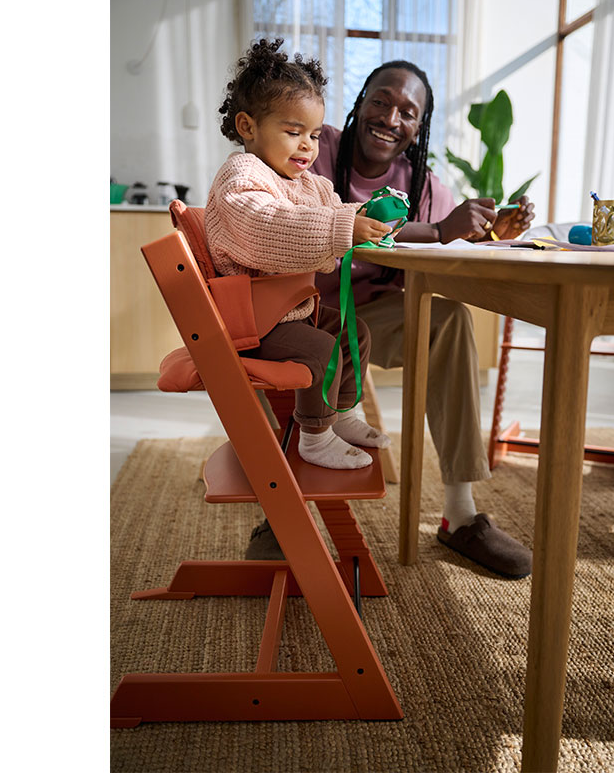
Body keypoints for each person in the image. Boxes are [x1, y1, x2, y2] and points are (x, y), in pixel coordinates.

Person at [310, 60, 536, 580]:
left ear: (419, 126)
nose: (390, 118)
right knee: (294, 350)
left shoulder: (422, 184)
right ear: (361, 102)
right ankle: (280, 514)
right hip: (304, 312)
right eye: (381, 101)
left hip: (370, 320)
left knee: (448, 318)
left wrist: (490, 234)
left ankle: (461, 514)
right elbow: (312, 217)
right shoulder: (318, 148)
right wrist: (435, 230)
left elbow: (449, 249)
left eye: (408, 113)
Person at [205, 38, 395, 483]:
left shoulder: (306, 182)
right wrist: (341, 228)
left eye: (314, 135)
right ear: (248, 127)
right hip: (252, 321)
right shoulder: (241, 177)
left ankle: (342, 414)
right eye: (293, 132)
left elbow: (334, 209)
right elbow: (266, 227)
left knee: (353, 332)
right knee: (320, 351)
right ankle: (315, 436)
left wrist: (367, 217)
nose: (307, 146)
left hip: (289, 310)